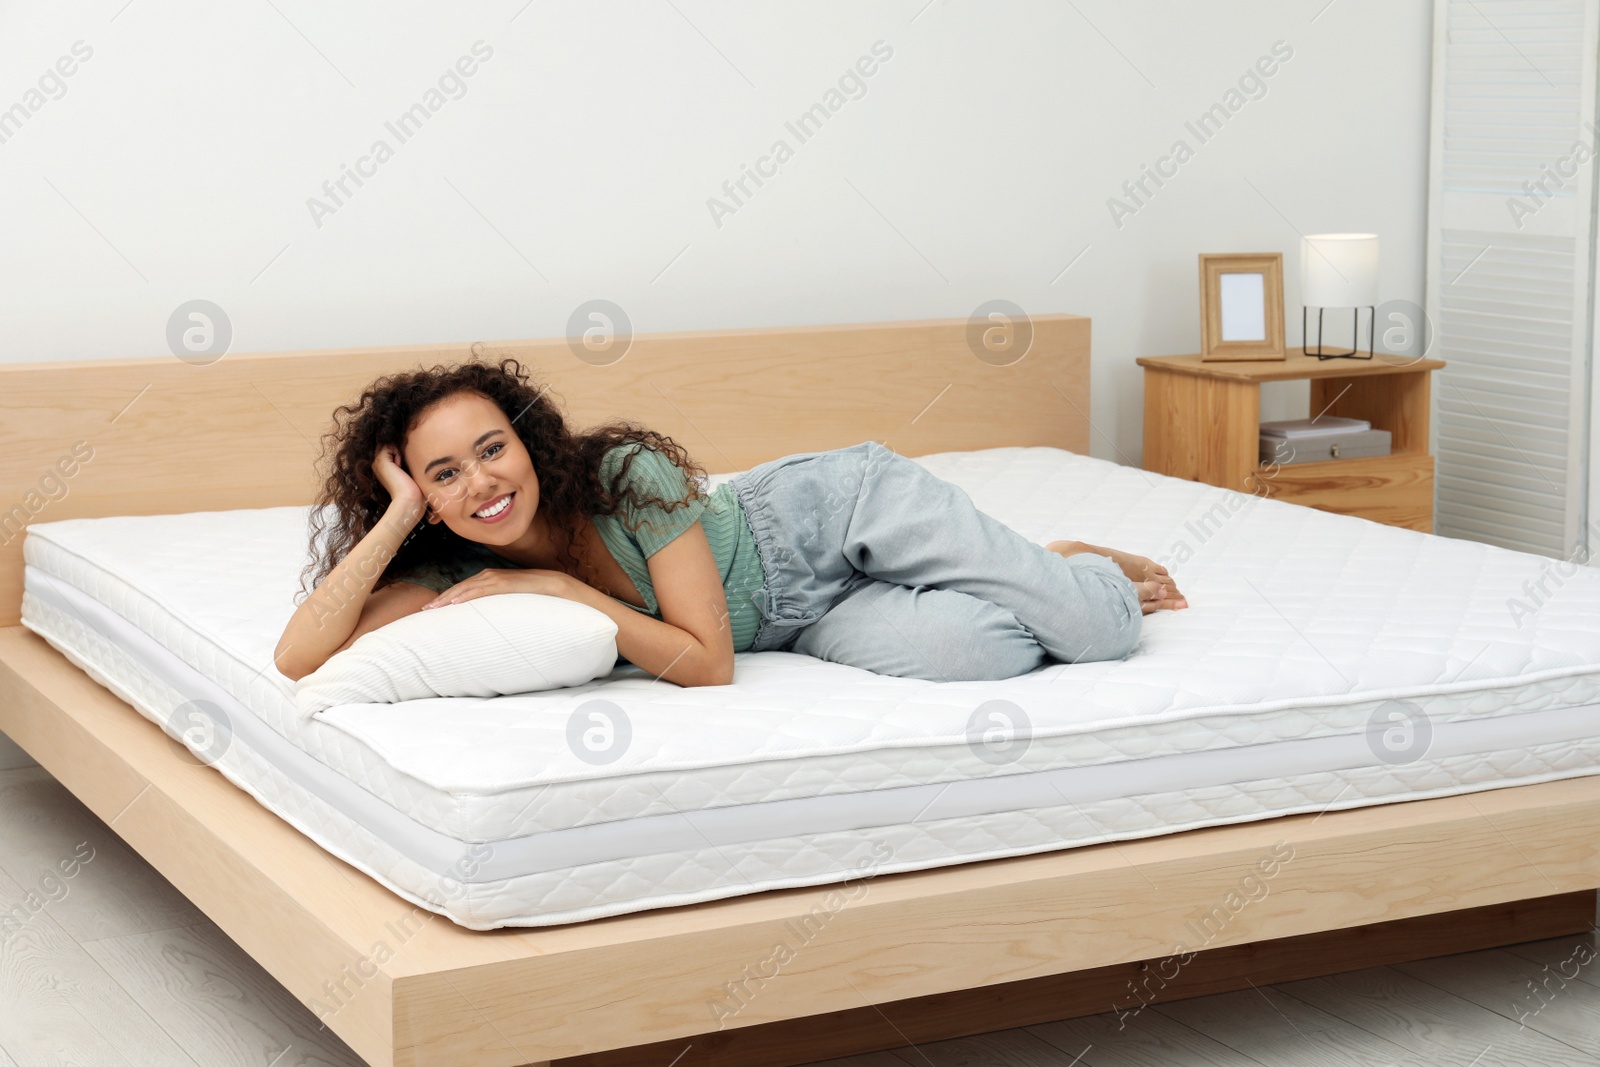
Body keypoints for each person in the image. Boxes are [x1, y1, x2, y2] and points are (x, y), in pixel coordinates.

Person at [274, 355, 1185, 687]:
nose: (482, 481)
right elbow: (300, 654)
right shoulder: (449, 568)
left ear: (528, 439)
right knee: (978, 652)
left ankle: (1082, 571)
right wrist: (395, 514)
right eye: (443, 474)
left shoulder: (626, 475)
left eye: (491, 448)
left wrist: (556, 587)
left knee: (1092, 634)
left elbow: (706, 665)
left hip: (834, 515)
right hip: (801, 619)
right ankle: (1035, 560)